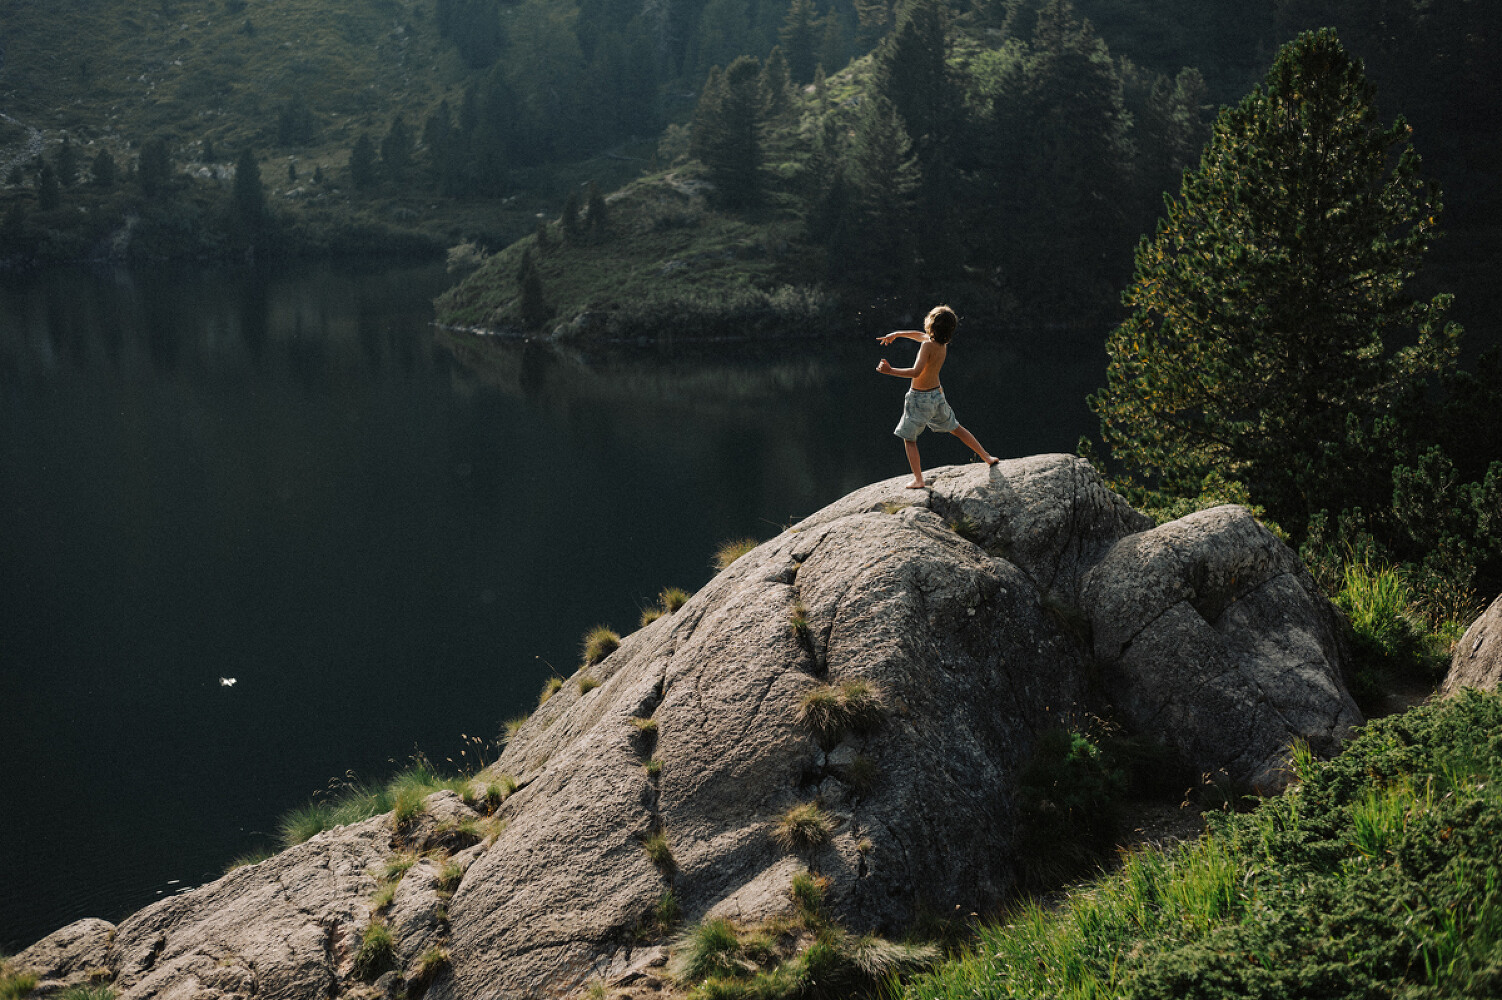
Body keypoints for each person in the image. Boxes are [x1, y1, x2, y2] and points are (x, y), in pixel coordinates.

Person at [876, 304, 999, 489]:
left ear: (931, 324)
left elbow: (916, 372)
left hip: (919, 399)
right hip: (937, 396)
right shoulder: (941, 344)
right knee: (956, 428)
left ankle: (918, 480)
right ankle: (986, 457)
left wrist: (890, 370)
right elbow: (919, 335)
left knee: (909, 438)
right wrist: (897, 334)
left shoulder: (927, 345)